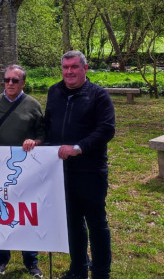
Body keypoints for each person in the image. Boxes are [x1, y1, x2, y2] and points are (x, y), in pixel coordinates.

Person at [44, 51, 115, 279]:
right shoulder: (54, 92)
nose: (69, 72)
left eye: (74, 67)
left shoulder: (99, 95)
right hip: (61, 170)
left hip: (90, 169)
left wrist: (78, 147)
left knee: (96, 223)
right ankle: (78, 269)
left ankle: (101, 272)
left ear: (85, 68)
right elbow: (48, 124)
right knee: (72, 222)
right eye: (65, 67)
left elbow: (106, 129)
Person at [0, 65, 44, 277]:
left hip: (25, 168)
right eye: (7, 80)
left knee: (26, 213)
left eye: (15, 80)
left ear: (23, 82)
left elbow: (43, 134)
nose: (10, 84)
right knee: (1, 212)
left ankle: (31, 261)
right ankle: (1, 260)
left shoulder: (33, 105)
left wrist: (36, 141)